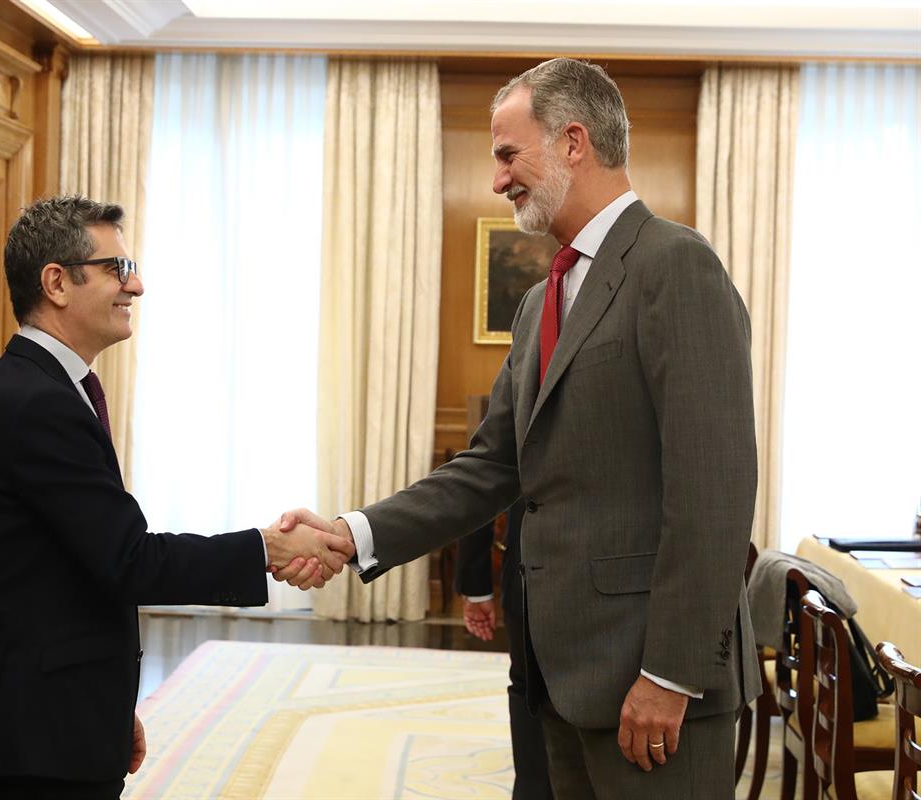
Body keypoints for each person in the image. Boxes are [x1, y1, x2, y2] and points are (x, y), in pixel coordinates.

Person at [279, 58, 759, 799]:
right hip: (559, 675)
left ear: (574, 141)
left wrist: (671, 674)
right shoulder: (543, 298)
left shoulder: (676, 266)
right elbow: (491, 466)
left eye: (508, 155)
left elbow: (715, 494)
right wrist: (352, 534)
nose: (498, 179)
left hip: (653, 685)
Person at [0, 196, 353, 800]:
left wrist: (103, 708)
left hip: (57, 716)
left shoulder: (51, 385)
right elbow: (129, 560)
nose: (136, 284)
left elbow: (70, 574)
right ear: (56, 282)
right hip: (37, 736)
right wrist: (264, 547)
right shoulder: (38, 401)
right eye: (117, 267)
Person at [456, 503, 553, 800]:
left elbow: (482, 479)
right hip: (530, 574)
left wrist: (476, 587)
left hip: (529, 571)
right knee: (529, 691)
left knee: (531, 693)